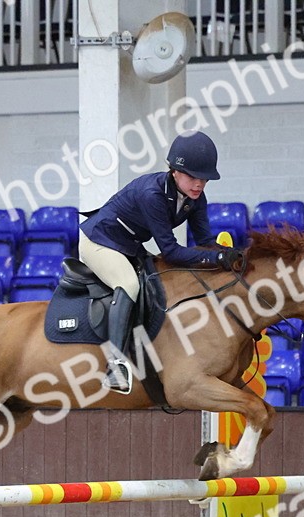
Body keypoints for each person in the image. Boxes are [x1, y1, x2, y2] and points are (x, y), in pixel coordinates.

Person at [79, 130, 243, 394]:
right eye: (193, 177)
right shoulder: (151, 195)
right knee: (129, 285)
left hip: (129, 245)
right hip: (100, 241)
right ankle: (115, 365)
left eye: (204, 179)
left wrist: (231, 257)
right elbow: (170, 251)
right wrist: (217, 257)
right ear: (175, 171)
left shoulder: (195, 198)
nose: (199, 185)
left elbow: (205, 243)